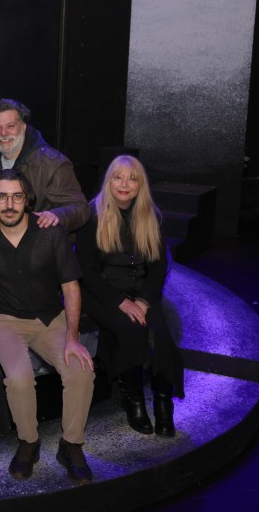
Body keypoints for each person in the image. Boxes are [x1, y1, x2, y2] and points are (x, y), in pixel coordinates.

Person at [0, 170, 96, 485]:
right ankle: (29, 442)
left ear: (27, 200)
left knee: (80, 371)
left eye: (17, 196)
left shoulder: (50, 233)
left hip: (49, 318)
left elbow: (71, 287)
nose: (9, 204)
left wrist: (72, 337)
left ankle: (71, 445)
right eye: (2, 196)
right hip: (2, 318)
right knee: (19, 379)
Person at [77, 155, 183, 437]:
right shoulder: (93, 215)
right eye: (118, 177)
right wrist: (120, 302)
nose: (124, 184)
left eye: (132, 179)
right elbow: (86, 271)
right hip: (102, 292)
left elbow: (158, 268)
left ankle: (163, 403)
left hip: (141, 292)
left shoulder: (150, 216)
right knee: (132, 329)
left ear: (140, 185)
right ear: (109, 181)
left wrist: (144, 301)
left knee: (161, 335)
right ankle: (134, 400)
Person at [0, 99, 89, 234]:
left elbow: (80, 208)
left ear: (23, 127)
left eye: (10, 126)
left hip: (39, 241)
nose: (3, 133)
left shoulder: (52, 164)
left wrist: (56, 216)